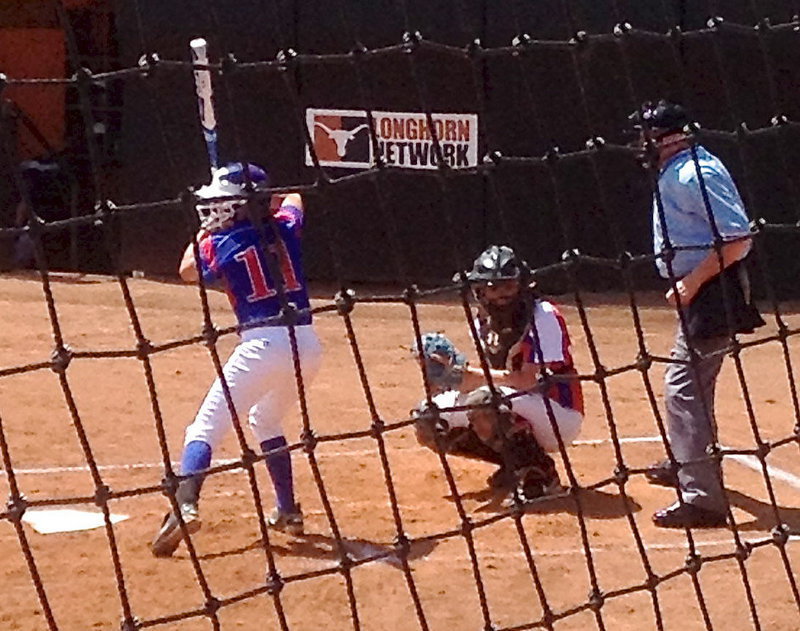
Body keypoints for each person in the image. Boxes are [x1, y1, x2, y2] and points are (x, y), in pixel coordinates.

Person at [150, 162, 322, 557]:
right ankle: (288, 510)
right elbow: (295, 198)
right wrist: (259, 204)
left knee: (203, 428)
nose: (214, 209)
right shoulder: (285, 227)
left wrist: (204, 232)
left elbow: (186, 271)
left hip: (263, 345)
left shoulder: (219, 244)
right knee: (266, 419)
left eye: (224, 203)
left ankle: (185, 504)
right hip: (307, 347)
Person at [628, 100, 764, 529]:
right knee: (693, 385)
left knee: (683, 387)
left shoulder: (694, 173)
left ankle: (703, 499)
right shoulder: (680, 168)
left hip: (712, 292)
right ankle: (689, 465)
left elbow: (739, 237)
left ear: (669, 136)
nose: (642, 143)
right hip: (703, 291)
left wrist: (692, 282)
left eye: (648, 135)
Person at [412, 245, 584, 503]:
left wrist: (468, 375)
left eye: (508, 286)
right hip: (519, 403)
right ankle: (516, 464)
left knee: (483, 401)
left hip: (558, 411)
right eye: (493, 288)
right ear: (480, 290)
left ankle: (541, 475)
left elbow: (527, 380)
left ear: (523, 285)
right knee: (429, 418)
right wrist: (443, 378)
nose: (501, 295)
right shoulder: (483, 320)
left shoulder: (543, 316)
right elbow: (494, 376)